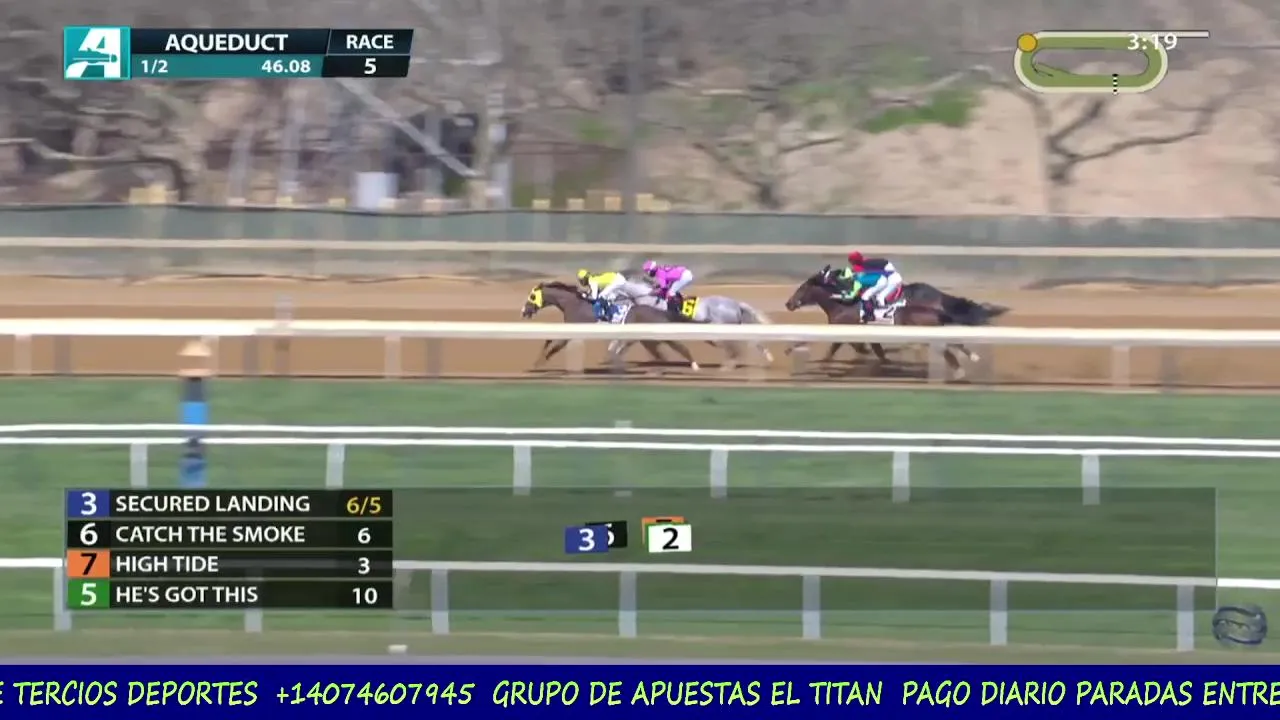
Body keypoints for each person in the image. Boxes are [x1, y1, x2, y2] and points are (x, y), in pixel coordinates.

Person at [842, 251, 903, 322]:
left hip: (892, 279)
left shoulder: (864, 265)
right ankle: (877, 312)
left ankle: (881, 315)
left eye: (851, 261)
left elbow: (860, 276)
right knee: (875, 296)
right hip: (888, 277)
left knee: (879, 297)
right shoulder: (865, 263)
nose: (851, 264)